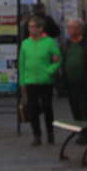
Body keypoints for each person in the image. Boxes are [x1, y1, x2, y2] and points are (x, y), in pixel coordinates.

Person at [18, 15, 61, 146]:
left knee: (47, 107)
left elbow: (58, 58)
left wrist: (50, 70)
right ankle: (36, 134)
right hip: (30, 80)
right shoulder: (25, 43)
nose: (31, 29)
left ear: (40, 28)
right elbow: (22, 63)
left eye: (34, 27)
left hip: (45, 80)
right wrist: (22, 81)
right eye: (30, 27)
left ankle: (50, 132)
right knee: (32, 108)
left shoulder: (49, 42)